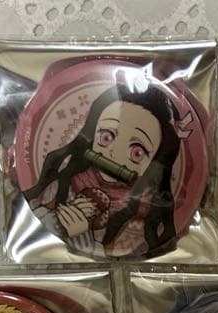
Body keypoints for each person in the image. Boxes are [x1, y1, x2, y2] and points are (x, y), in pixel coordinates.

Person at [22, 76, 193, 258]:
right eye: (106, 137)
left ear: (155, 161)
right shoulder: (62, 182)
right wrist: (56, 220)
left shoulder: (147, 216)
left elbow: (123, 258)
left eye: (137, 152)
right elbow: (33, 223)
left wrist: (81, 235)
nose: (115, 154)